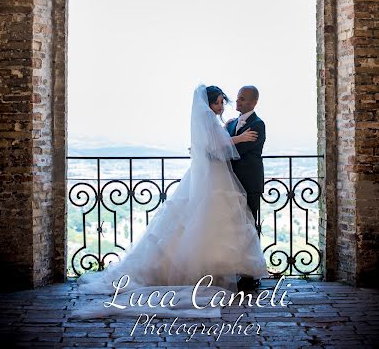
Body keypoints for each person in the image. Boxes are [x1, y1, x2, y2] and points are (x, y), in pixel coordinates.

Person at [73, 84, 267, 319]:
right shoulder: (219, 124)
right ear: (209, 105)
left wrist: (229, 137)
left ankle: (232, 272)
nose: (223, 105)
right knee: (205, 221)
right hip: (214, 178)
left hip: (224, 178)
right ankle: (206, 271)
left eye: (225, 101)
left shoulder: (229, 124)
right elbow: (215, 148)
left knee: (216, 223)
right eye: (219, 102)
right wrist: (236, 138)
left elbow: (213, 147)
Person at [225, 86, 266, 291]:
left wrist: (219, 144)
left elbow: (236, 151)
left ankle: (251, 275)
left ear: (253, 102)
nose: (237, 102)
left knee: (250, 228)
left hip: (249, 184)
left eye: (242, 99)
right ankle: (235, 269)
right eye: (238, 99)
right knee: (234, 229)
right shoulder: (232, 124)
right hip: (231, 184)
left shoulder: (258, 125)